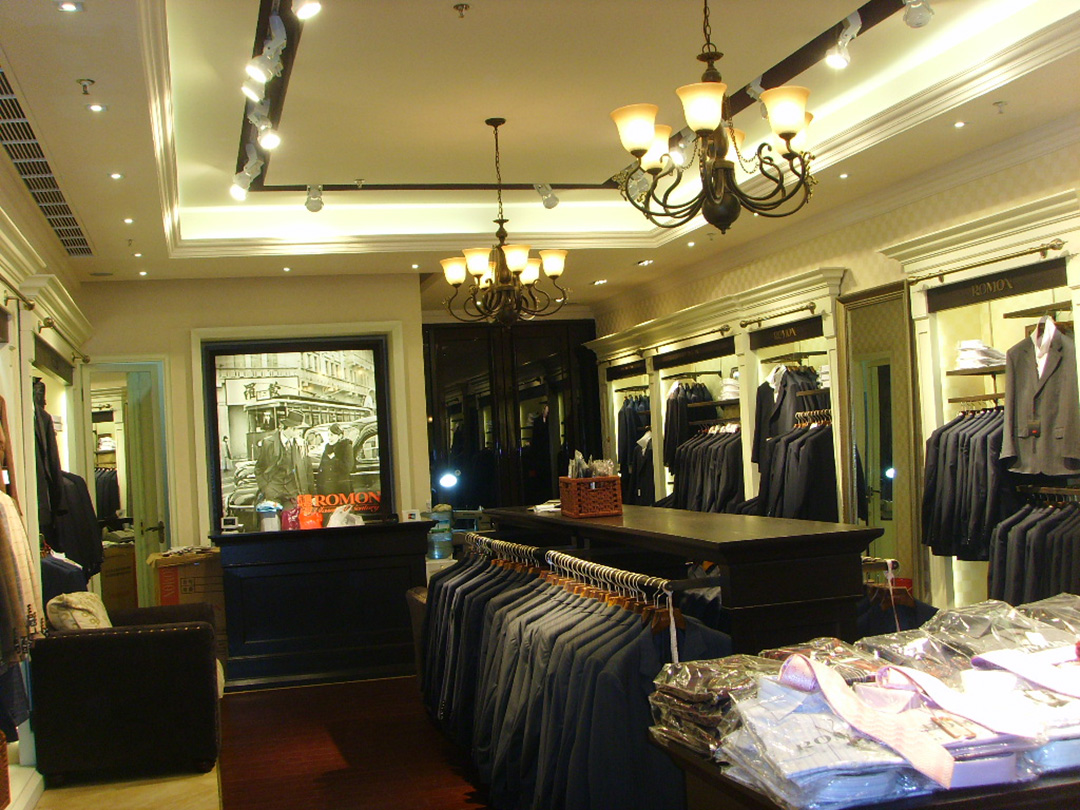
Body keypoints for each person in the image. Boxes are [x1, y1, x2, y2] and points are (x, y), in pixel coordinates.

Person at [253, 412, 311, 510]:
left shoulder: (301, 444)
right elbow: (259, 468)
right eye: (299, 429)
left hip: (292, 493)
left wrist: (310, 496)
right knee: (271, 518)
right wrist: (265, 488)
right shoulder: (268, 443)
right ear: (291, 428)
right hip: (273, 492)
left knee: (291, 518)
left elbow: (308, 471)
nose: (300, 432)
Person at [317, 423, 354, 495]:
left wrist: (334, 459)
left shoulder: (346, 447)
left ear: (339, 436)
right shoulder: (328, 448)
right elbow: (322, 468)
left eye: (332, 435)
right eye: (328, 435)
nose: (329, 437)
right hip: (328, 489)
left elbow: (348, 467)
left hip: (341, 489)